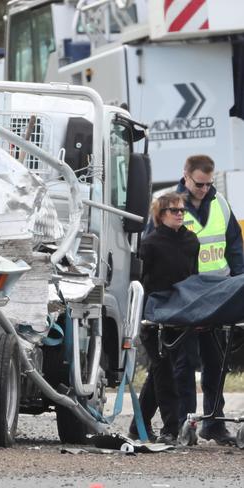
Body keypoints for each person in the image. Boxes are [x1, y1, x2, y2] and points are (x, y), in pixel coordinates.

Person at [174, 154, 244, 445]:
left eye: (208, 184)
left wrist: (239, 282)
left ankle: (213, 424)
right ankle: (184, 422)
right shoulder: (171, 206)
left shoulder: (221, 204)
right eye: (199, 184)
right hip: (186, 297)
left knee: (216, 363)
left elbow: (235, 248)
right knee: (184, 363)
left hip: (217, 295)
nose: (204, 189)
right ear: (186, 176)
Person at [129, 191, 200, 445]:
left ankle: (138, 425)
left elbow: (194, 278)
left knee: (162, 370)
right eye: (174, 210)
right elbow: (138, 280)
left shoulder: (192, 241)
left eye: (182, 210)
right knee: (164, 370)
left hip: (181, 314)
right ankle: (170, 428)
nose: (180, 214)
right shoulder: (149, 244)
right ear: (161, 215)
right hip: (154, 315)